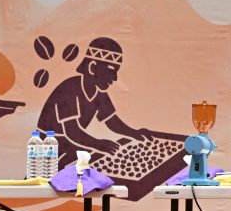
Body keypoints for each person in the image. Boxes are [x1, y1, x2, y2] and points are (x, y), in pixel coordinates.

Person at [37, 37, 148, 167]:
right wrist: (99, 144)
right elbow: (72, 131)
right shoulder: (69, 89)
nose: (115, 78)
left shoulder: (99, 93)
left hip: (70, 144)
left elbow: (112, 122)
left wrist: (134, 133)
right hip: (48, 146)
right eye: (111, 71)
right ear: (92, 67)